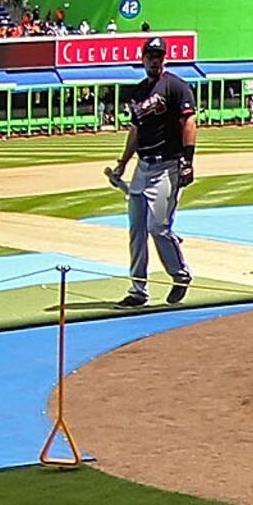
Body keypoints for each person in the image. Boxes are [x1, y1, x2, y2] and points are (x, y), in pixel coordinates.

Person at [105, 39, 196, 310]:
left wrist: (188, 161)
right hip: (142, 168)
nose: (154, 60)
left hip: (168, 165)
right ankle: (137, 290)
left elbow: (189, 122)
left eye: (158, 56)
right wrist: (122, 163)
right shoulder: (138, 92)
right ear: (142, 58)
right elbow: (135, 131)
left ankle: (180, 275)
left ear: (164, 58)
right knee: (136, 230)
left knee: (158, 227)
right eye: (150, 56)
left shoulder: (176, 86)